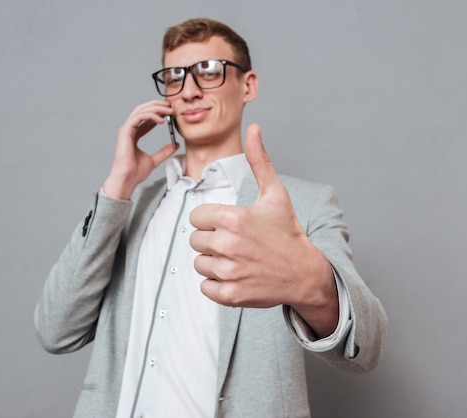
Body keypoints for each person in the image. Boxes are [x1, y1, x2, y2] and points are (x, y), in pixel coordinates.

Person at [34, 17, 388, 418]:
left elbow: (367, 347)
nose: (188, 91)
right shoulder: (133, 207)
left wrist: (314, 283)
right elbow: (55, 330)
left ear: (248, 85)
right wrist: (117, 188)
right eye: (174, 77)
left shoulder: (302, 204)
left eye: (208, 71)